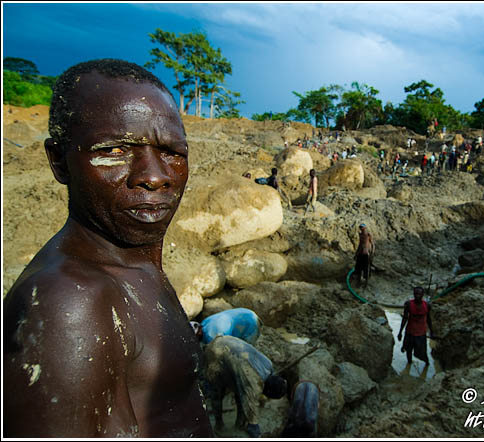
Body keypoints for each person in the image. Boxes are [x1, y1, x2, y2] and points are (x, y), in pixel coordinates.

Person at [3, 59, 212, 437]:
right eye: (115, 151)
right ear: (59, 161)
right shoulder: (69, 305)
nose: (154, 176)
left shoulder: (129, 264)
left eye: (172, 151)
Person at [204, 335, 287, 438]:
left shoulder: (269, 366)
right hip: (216, 351)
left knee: (240, 391)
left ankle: (239, 423)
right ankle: (219, 425)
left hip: (229, 342)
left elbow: (245, 395)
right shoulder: (253, 383)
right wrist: (255, 431)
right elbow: (251, 410)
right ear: (268, 391)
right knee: (217, 391)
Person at [397, 287, 435, 365]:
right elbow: (405, 318)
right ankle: (409, 363)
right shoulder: (408, 304)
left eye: (419, 294)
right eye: (416, 294)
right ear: (413, 294)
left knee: (422, 352)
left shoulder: (427, 305)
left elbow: (428, 319)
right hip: (410, 332)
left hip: (421, 333)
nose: (417, 296)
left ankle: (427, 363)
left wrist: (432, 331)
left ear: (422, 295)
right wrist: (400, 332)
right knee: (408, 350)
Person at [197, 308, 263, 345]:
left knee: (245, 349)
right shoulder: (204, 323)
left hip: (250, 322)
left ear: (199, 332)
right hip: (245, 313)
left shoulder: (212, 336)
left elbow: (221, 349)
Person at [353, 223, 375, 288]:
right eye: (360, 228)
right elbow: (360, 245)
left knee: (366, 268)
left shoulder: (368, 235)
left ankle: (366, 283)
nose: (361, 229)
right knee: (358, 267)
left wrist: (372, 253)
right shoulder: (361, 235)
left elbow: (373, 244)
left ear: (365, 228)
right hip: (360, 253)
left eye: (362, 227)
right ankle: (358, 282)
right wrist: (356, 254)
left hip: (366, 254)